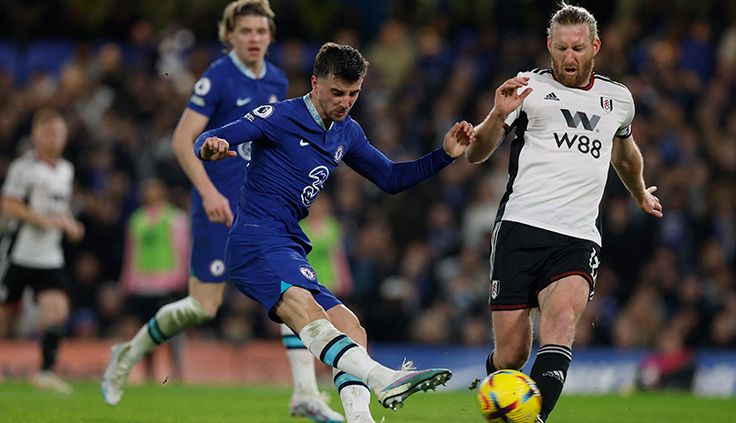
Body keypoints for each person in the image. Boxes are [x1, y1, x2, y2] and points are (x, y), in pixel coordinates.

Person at [195, 42, 471, 423]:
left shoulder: (347, 133)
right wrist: (212, 146)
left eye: (353, 93)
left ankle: (360, 419)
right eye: (337, 92)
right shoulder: (280, 116)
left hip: (288, 243)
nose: (345, 102)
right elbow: (213, 137)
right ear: (314, 83)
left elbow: (390, 178)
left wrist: (444, 155)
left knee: (350, 327)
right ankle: (386, 377)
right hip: (255, 240)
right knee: (311, 315)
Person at [101, 2, 343, 421]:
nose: (253, 38)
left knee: (292, 292)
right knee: (202, 307)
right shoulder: (217, 77)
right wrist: (210, 193)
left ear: (270, 36)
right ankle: (130, 351)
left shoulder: (276, 78)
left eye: (260, 31)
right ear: (229, 35)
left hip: (263, 210)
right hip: (217, 208)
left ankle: (305, 393)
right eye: (245, 31)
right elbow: (182, 140)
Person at [465, 4, 663, 422]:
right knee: (513, 354)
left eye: (577, 48)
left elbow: (625, 155)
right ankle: (496, 379)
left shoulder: (618, 99)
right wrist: (497, 114)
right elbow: (476, 155)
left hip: (577, 236)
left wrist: (639, 192)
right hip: (520, 227)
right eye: (560, 48)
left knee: (561, 323)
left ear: (595, 46)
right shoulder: (526, 88)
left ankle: (535, 418)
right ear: (548, 47)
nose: (568, 58)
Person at [0, 108, 85, 394]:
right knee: (5, 317)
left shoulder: (65, 170)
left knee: (58, 310)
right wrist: (44, 221)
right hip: (19, 252)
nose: (55, 139)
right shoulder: (23, 168)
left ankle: (46, 371)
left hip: (49, 256)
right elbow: (10, 204)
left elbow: (59, 209)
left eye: (60, 133)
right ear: (36, 135)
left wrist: (71, 225)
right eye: (49, 133)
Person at [118, 178, 189, 382]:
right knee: (147, 331)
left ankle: (178, 372)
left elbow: (182, 249)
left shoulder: (175, 218)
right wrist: (127, 281)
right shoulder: (136, 219)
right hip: (142, 284)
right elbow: (131, 252)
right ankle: (150, 373)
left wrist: (180, 277)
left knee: (173, 330)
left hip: (167, 283)